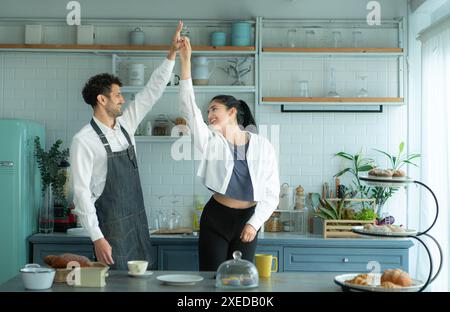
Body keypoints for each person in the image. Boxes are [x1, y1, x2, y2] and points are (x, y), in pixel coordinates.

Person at [70, 22, 184, 270]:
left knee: (142, 284)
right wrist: (97, 238)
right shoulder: (83, 140)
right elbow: (81, 194)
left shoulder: (126, 124)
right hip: (110, 230)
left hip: (138, 225)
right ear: (102, 99)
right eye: (117, 95)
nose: (123, 100)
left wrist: (172, 53)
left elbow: (152, 90)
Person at [178, 36, 280, 271]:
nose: (209, 114)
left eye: (214, 109)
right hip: (216, 217)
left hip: (248, 219)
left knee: (241, 281)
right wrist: (186, 61)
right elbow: (188, 107)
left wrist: (254, 225)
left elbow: (272, 193)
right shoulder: (210, 142)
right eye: (207, 110)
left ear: (232, 111)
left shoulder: (263, 145)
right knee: (211, 279)